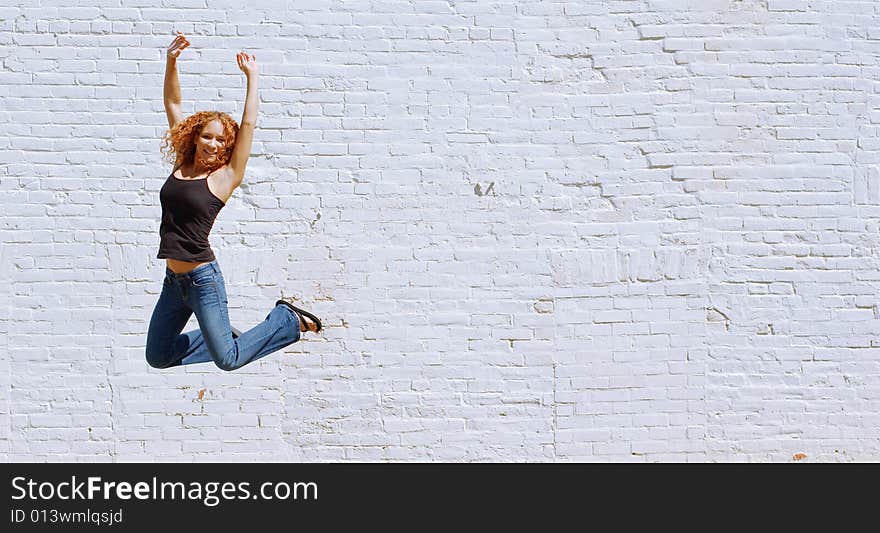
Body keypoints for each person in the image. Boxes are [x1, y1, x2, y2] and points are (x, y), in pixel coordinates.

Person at [146, 32, 321, 371]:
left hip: (202, 280)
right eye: (207, 136)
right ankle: (221, 335)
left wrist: (252, 78)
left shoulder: (225, 177)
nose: (212, 144)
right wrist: (171, 61)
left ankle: (286, 319)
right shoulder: (183, 164)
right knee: (158, 355)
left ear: (227, 146)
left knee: (228, 359)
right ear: (195, 136)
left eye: (220, 140)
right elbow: (172, 104)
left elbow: (250, 124)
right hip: (173, 282)